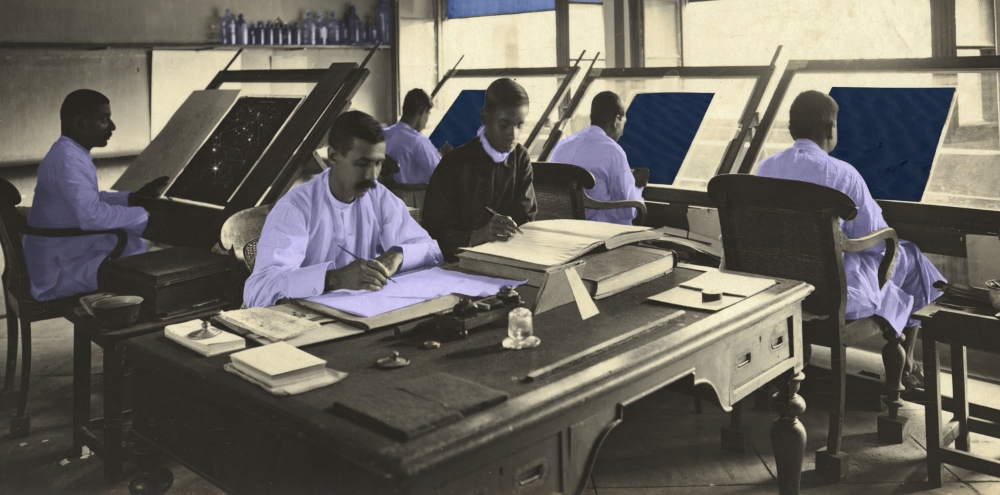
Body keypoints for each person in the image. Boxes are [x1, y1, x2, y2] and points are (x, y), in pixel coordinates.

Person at [755, 90, 945, 389]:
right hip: (829, 291)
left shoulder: (765, 167)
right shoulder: (843, 173)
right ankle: (905, 365)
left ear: (793, 128)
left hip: (780, 283)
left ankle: (906, 362)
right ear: (831, 129)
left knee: (900, 264)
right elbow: (877, 240)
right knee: (910, 255)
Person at [244, 110, 443, 308]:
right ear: (333, 156)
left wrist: (397, 255)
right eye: (362, 163)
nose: (372, 176)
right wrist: (335, 279)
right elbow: (258, 290)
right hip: (304, 323)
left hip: (357, 312)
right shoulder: (295, 207)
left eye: (378, 164)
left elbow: (432, 250)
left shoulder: (378, 196)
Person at [24, 89, 167, 301]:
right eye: (104, 119)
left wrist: (131, 199)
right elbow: (91, 215)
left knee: (134, 247)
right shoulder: (68, 160)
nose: (113, 127)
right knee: (145, 266)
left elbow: (90, 199)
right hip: (57, 271)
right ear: (80, 122)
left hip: (57, 252)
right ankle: (126, 323)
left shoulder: (68, 152)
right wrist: (143, 215)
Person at [422, 78, 537, 260]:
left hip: (509, 259)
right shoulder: (453, 164)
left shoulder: (520, 157)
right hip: (458, 263)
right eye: (504, 125)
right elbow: (433, 234)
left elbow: (525, 219)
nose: (513, 135)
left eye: (519, 125)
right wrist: (478, 236)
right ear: (485, 118)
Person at [549, 91, 646, 225]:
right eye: (624, 122)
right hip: (600, 235)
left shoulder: (562, 145)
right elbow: (628, 211)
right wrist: (637, 186)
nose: (623, 131)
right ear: (616, 120)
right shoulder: (613, 151)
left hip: (565, 231)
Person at [382, 88, 440, 185]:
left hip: (386, 196)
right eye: (427, 114)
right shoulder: (419, 141)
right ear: (421, 111)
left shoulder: (383, 134)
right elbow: (440, 174)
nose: (426, 121)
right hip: (415, 198)